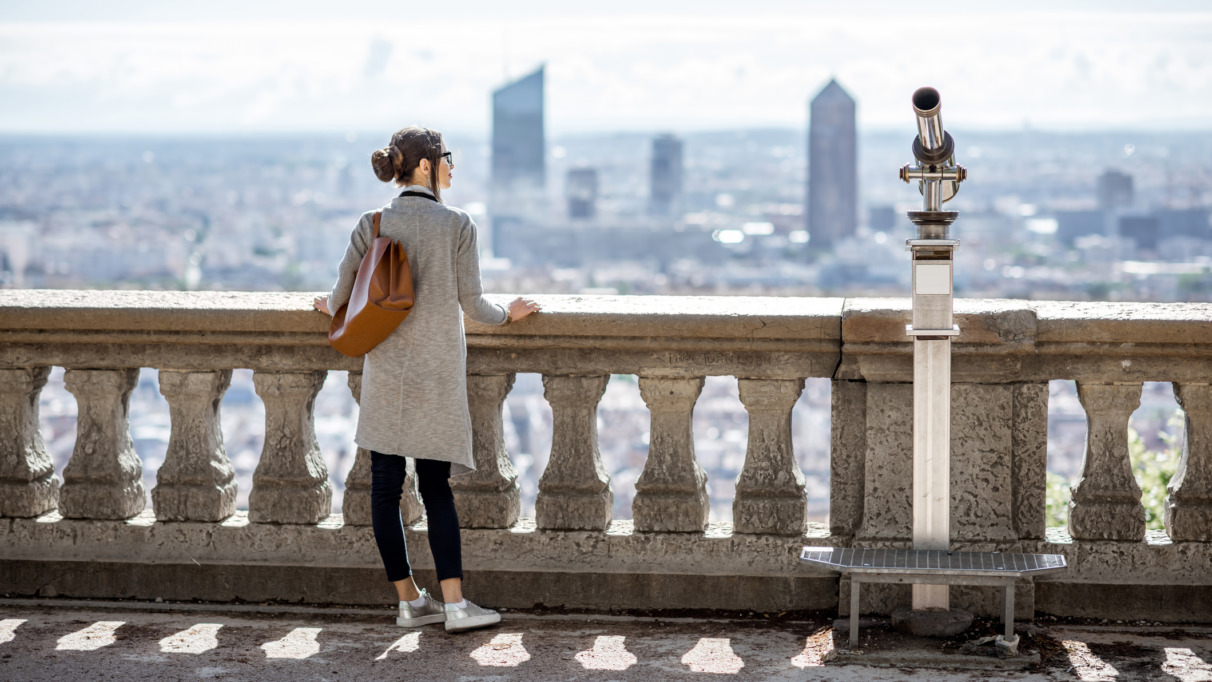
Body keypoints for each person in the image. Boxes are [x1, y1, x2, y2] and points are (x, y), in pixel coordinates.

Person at [313, 126, 539, 633]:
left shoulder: (372, 222)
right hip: (437, 372)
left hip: (387, 371)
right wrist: (512, 313)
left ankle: (409, 601)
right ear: (423, 166)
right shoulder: (457, 224)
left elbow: (338, 300)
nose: (453, 168)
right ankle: (456, 606)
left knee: (385, 489)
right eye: (448, 159)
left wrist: (322, 308)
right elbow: (475, 307)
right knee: (436, 488)